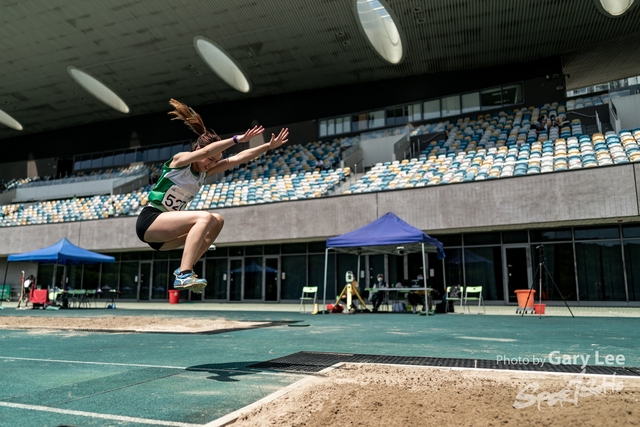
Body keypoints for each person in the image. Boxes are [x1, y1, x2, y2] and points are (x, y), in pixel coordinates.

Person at [135, 99, 289, 294]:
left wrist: (267, 146)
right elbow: (209, 150)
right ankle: (185, 274)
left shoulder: (203, 173)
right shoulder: (179, 161)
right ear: (198, 151)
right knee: (205, 217)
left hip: (165, 238)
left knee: (217, 220)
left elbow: (237, 158)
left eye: (215, 161)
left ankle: (184, 267)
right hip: (150, 221)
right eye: (209, 160)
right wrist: (236, 140)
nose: (211, 164)